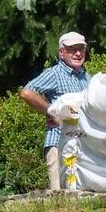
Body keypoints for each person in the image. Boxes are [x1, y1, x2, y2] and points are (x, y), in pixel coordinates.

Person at [20, 31, 91, 192]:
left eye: (81, 49)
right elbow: (27, 93)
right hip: (58, 143)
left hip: (83, 146)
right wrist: (51, 111)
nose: (78, 53)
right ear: (61, 52)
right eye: (72, 49)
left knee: (79, 197)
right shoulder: (55, 74)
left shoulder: (87, 77)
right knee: (59, 197)